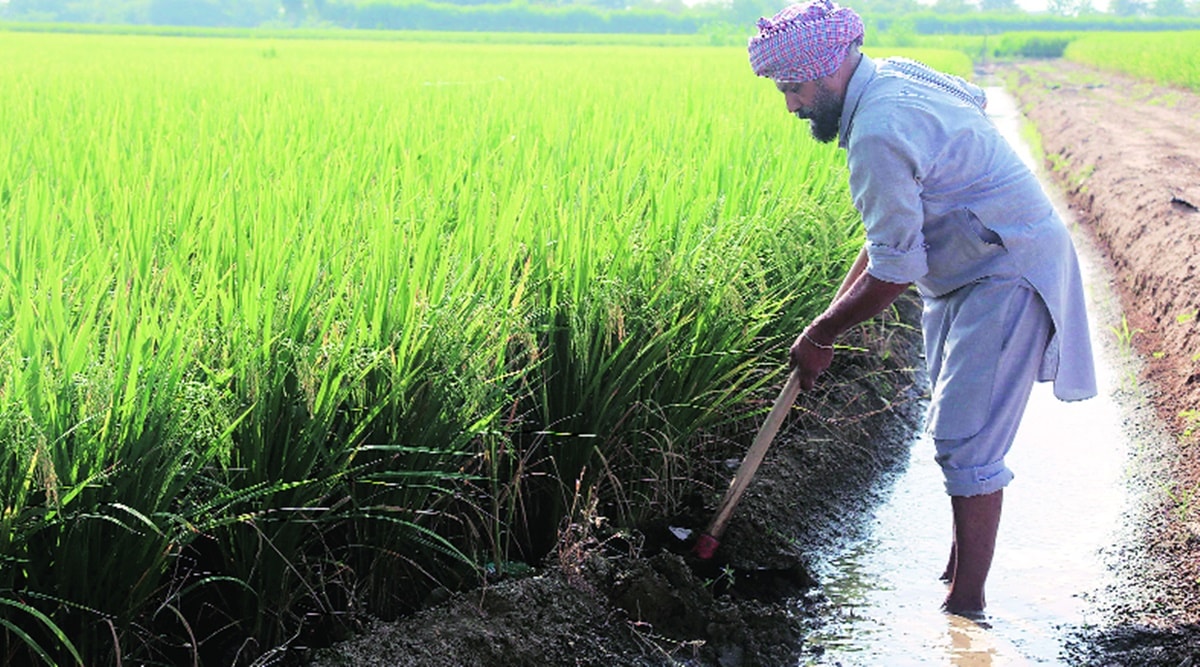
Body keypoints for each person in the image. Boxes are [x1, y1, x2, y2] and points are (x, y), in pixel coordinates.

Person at [747, 0, 1097, 616]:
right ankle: (958, 564)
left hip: (1003, 268)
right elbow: (888, 242)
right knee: (957, 429)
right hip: (965, 269)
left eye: (793, 88)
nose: (791, 105)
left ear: (829, 72)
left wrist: (823, 333)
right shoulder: (888, 78)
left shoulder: (879, 130)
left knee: (966, 440)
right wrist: (821, 325)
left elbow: (896, 271)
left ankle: (965, 610)